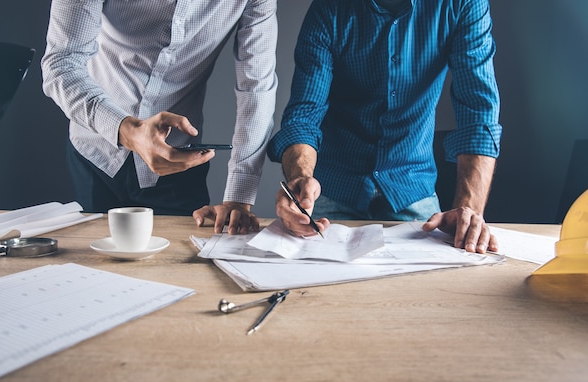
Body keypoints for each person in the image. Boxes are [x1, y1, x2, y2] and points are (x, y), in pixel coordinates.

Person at [268, 0, 501, 253]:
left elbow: (478, 112)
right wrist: (300, 178)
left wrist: (470, 212)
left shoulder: (463, 4)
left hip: (412, 186)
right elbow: (304, 114)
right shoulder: (330, 8)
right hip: (332, 186)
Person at [41, 0, 277, 235]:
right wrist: (128, 130)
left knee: (177, 268)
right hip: (97, 151)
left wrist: (238, 197)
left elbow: (256, 88)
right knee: (91, 265)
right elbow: (62, 64)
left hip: (177, 161)